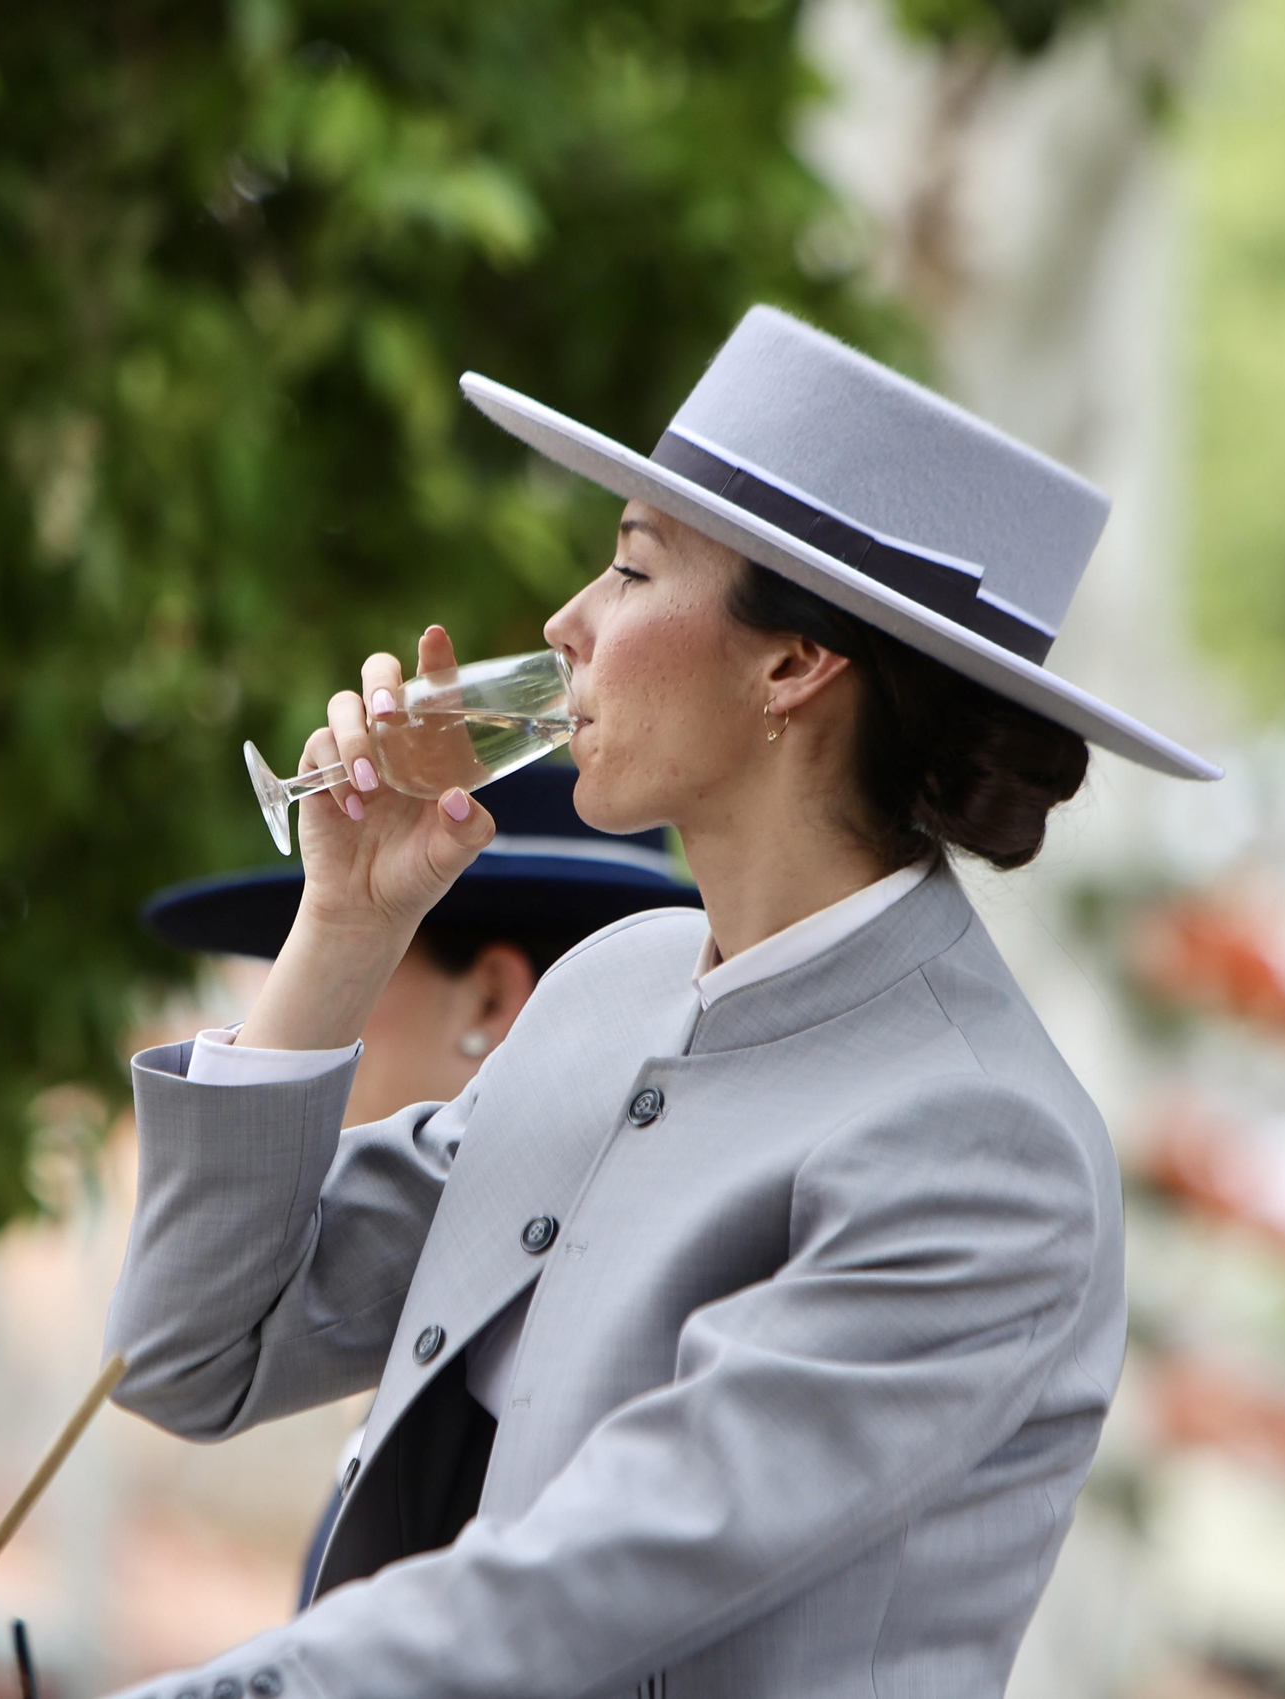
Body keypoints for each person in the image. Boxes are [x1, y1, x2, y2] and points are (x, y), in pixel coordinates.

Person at [102, 305, 1218, 1699]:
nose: (567, 621)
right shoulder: (610, 986)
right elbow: (191, 1356)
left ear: (795, 665)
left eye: (632, 566)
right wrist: (346, 923)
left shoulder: (985, 1144)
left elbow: (596, 1576)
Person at [137, 762, 701, 1609]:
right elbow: (173, 1354)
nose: (282, 1011)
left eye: (366, 950)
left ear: (487, 996)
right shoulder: (413, 1283)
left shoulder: (609, 1308)